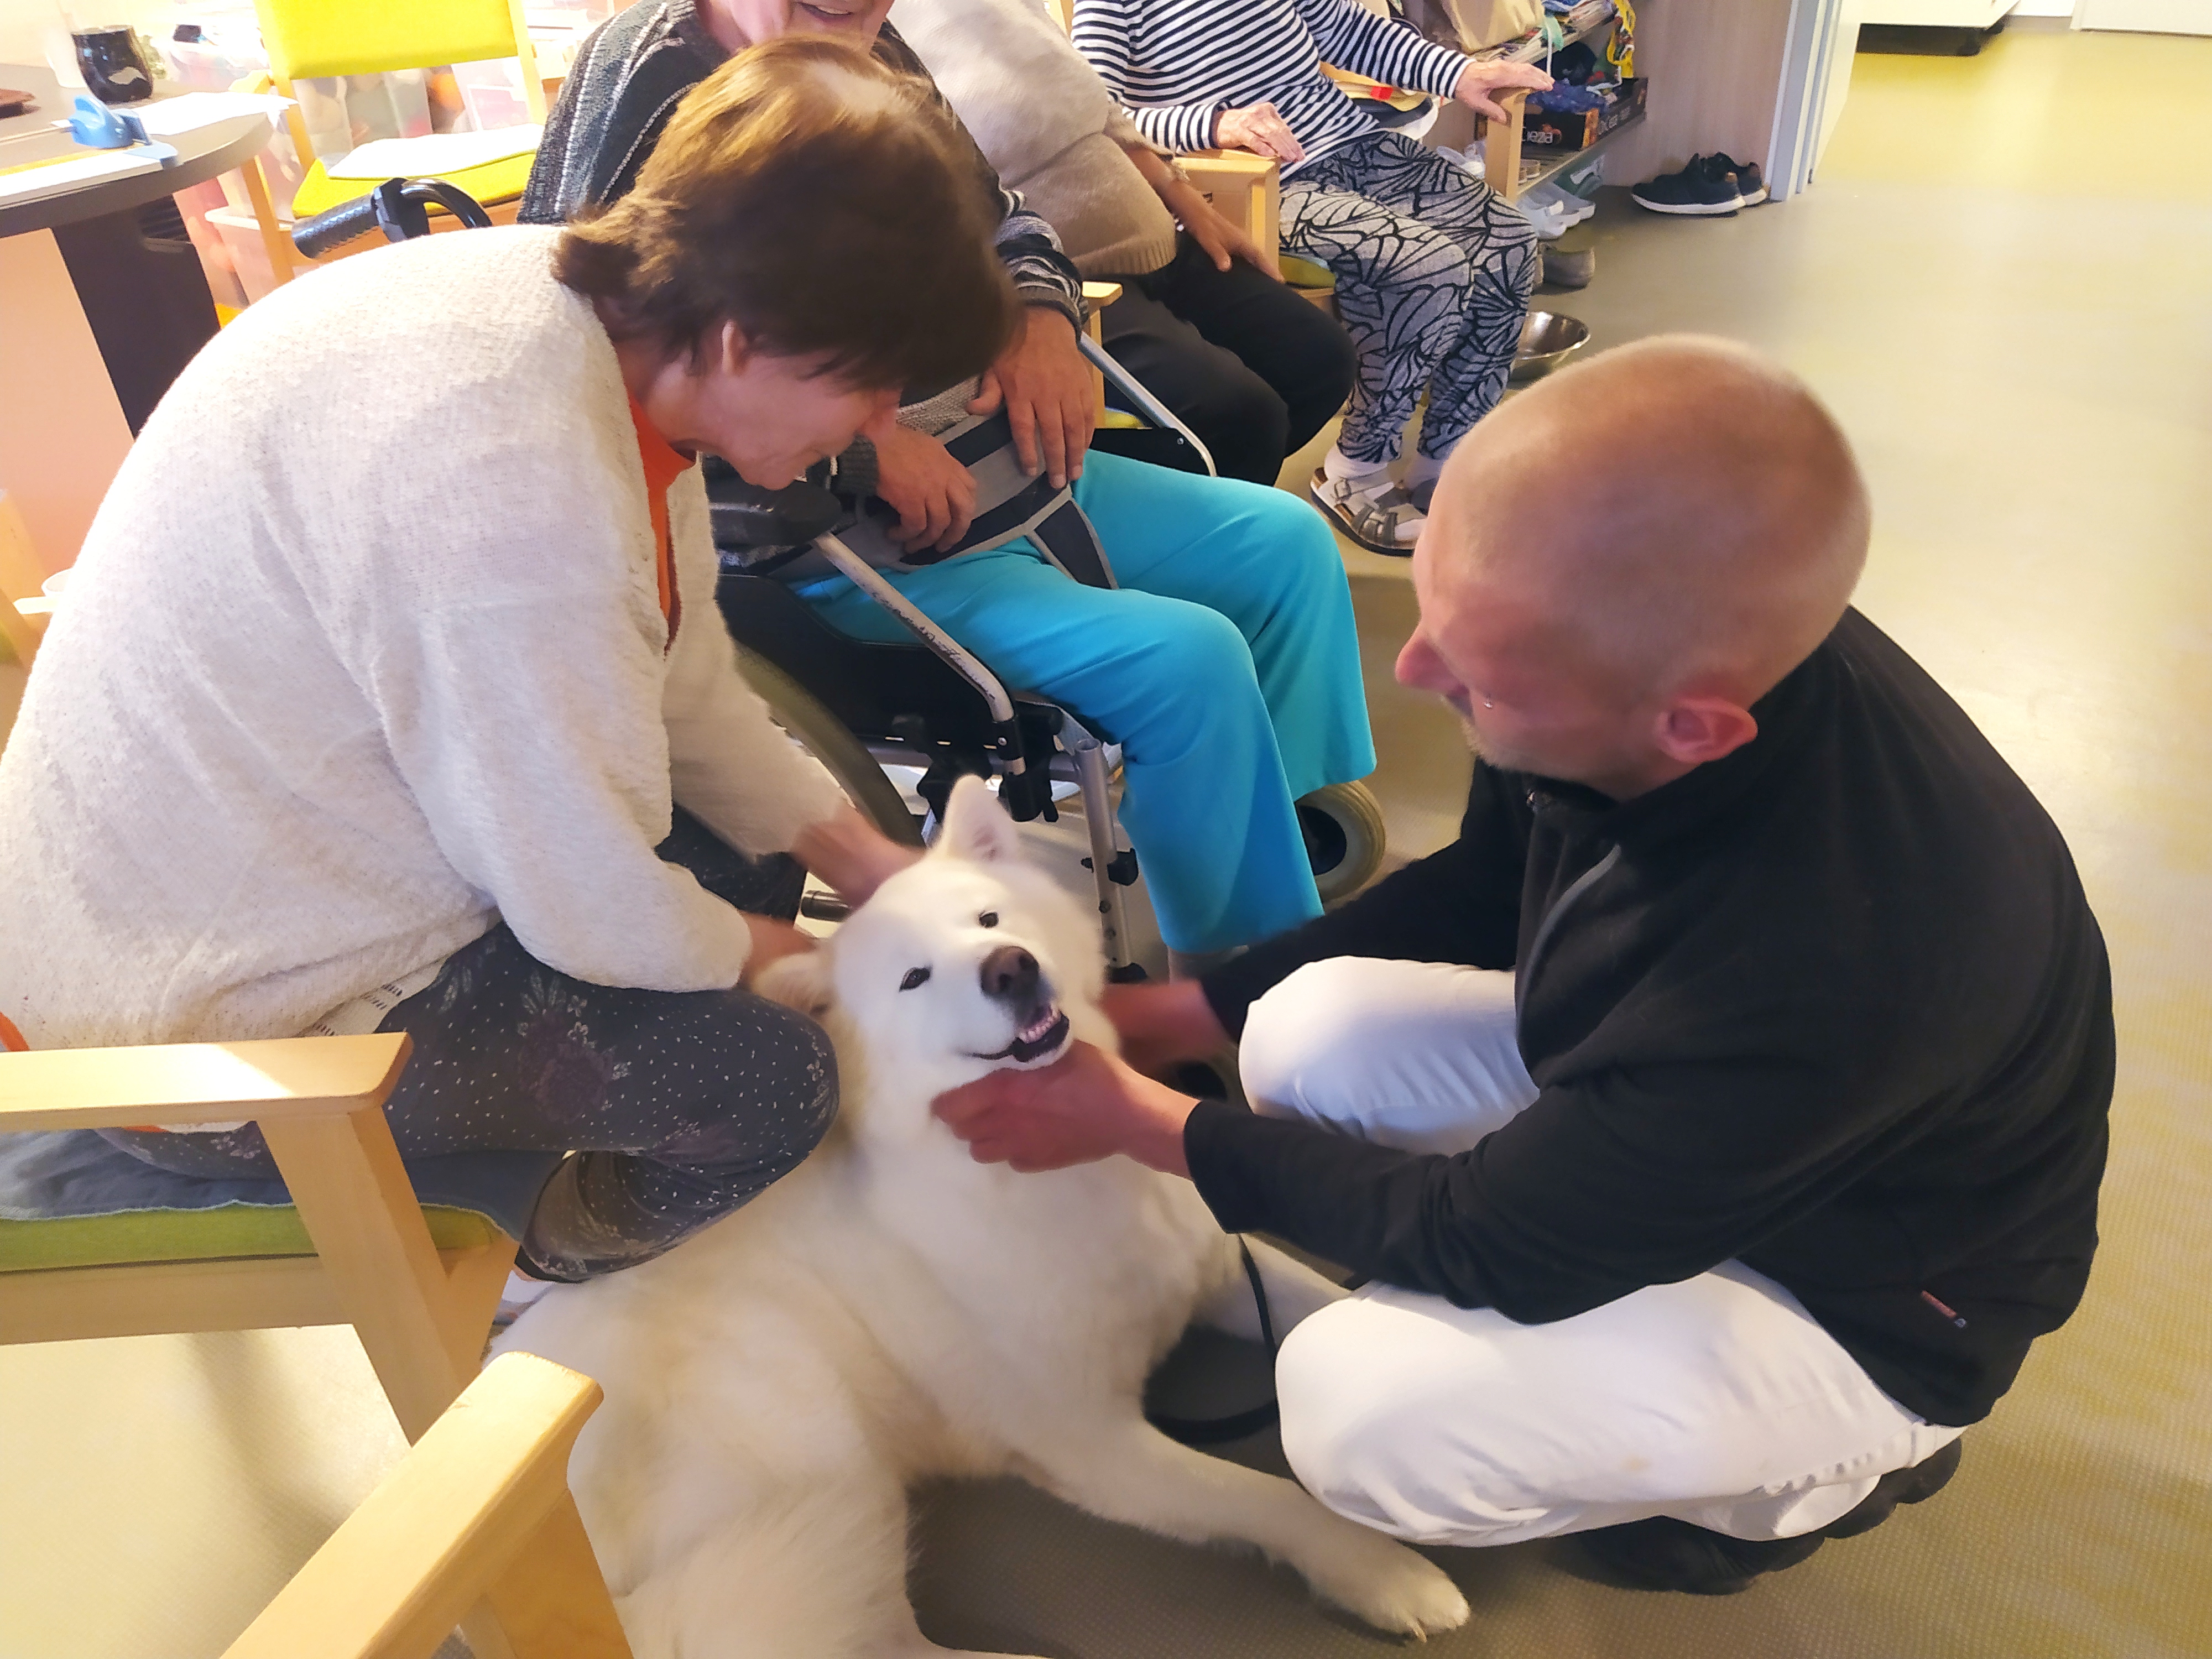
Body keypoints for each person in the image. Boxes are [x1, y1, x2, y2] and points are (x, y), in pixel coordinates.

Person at [932, 338, 2115, 1594]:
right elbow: (1493, 880)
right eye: (1434, 615)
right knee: (1297, 1029)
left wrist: (1136, 1119)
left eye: (1477, 678)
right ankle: (1601, 1315)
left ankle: (1804, 1478)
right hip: (1704, 1127)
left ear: (1690, 729)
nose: (1415, 670)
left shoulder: (1832, 958)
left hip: (1864, 1292)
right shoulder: (1640, 639)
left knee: (1357, 1413)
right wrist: (1194, 1006)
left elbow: (1492, 1240)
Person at [0, 40, 1008, 1283]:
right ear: (747, 338)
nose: (880, 426)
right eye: (873, 387)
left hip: (208, 887)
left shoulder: (585, 334)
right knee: (769, 1082)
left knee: (743, 868)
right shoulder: (516, 486)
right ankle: (539, 1280)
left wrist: (867, 865)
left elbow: (685, 692)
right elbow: (589, 907)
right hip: (199, 1033)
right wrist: (811, 968)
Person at [526, 0, 1377, 962]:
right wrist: (865, 453)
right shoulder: (645, 98)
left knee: (1284, 542)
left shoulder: (869, 61)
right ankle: (1242, 966)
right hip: (843, 534)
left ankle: (1260, 842)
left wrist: (1043, 316)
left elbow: (1002, 217)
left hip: (998, 458)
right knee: (1192, 658)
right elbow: (634, 372)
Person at [1071, 0, 1551, 554]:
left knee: (1510, 242)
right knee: (1428, 267)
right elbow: (1097, 114)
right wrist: (1216, 123)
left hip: (1354, 144)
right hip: (1262, 181)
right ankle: (1355, 471)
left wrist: (1457, 72)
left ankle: (1444, 460)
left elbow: (1349, 31)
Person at [893, 0, 1356, 486]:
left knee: (1320, 361)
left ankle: (1209, 494)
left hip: (1160, 243)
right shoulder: (877, 33)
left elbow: (1099, 106)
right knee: (1241, 417)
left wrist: (1187, 199)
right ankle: (1150, 500)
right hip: (1071, 285)